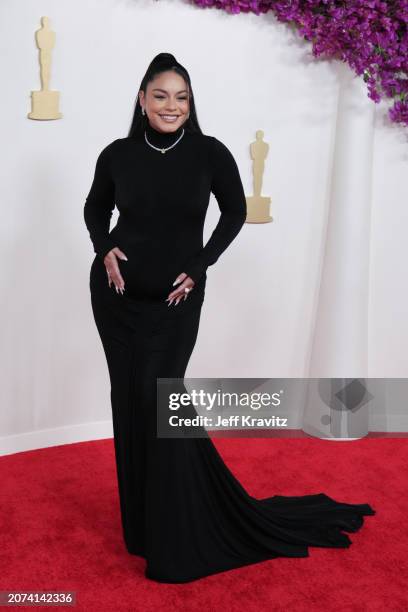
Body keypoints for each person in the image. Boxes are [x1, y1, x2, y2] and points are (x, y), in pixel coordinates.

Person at [83, 52, 375, 584]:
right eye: (161, 95)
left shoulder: (210, 154)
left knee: (160, 400)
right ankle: (142, 530)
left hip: (175, 303)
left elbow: (235, 211)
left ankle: (185, 528)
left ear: (191, 104)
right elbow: (93, 208)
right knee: (127, 403)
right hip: (116, 301)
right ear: (142, 100)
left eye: (182, 97)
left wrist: (199, 265)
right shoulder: (117, 154)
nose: (172, 106)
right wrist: (104, 248)